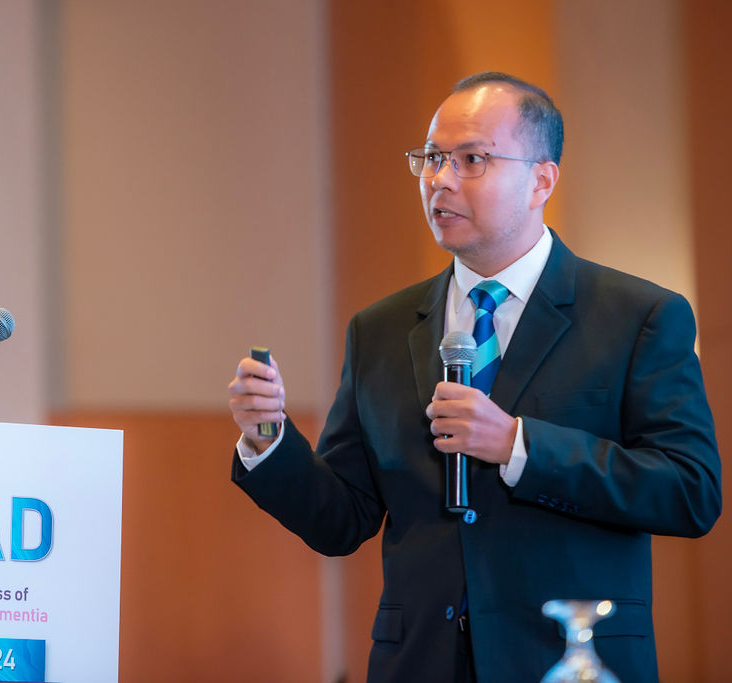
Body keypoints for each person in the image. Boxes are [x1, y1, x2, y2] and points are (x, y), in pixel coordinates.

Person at [227, 72, 721, 682]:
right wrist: (267, 438)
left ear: (541, 180)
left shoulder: (637, 316)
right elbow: (341, 519)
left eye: (472, 159)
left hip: (567, 660)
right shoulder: (380, 329)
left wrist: (518, 444)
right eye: (432, 158)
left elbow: (690, 491)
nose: (441, 179)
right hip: (420, 663)